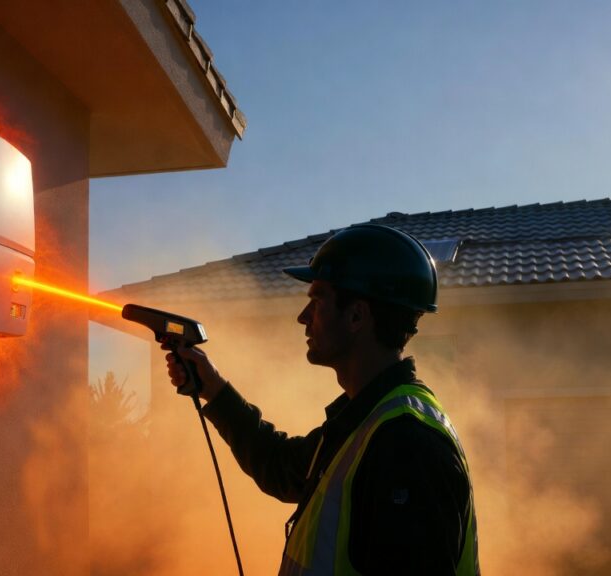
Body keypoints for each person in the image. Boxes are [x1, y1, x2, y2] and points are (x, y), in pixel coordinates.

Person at [164, 224, 479, 575]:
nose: (303, 317)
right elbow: (281, 467)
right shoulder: (366, 422)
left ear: (356, 316)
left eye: (317, 300)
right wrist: (214, 389)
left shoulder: (405, 444)